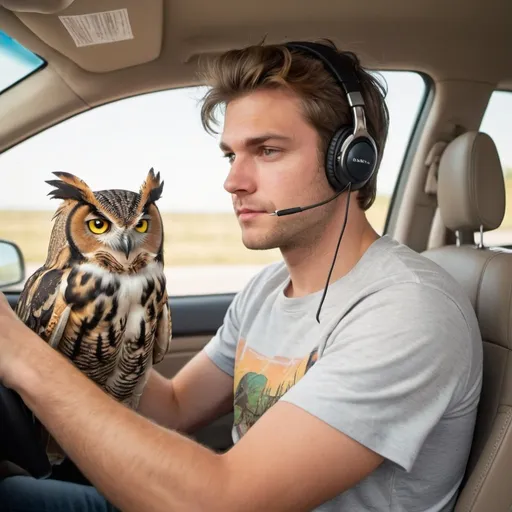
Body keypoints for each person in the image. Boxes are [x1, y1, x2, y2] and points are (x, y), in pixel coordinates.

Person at [0, 39, 482, 512]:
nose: (233, 181)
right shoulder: (268, 289)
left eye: (267, 151)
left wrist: (26, 363)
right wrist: (71, 335)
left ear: (350, 161)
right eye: (231, 156)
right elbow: (175, 408)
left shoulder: (407, 312)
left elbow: (224, 500)